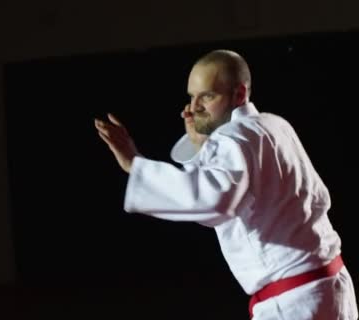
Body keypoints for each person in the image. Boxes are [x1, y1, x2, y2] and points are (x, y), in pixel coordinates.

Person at [94, 49, 358, 319]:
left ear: (239, 95)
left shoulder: (234, 137)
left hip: (296, 304)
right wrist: (201, 145)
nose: (194, 107)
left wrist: (134, 163)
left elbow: (213, 200)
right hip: (330, 288)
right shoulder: (274, 124)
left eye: (207, 96)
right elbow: (225, 201)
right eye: (191, 96)